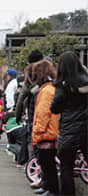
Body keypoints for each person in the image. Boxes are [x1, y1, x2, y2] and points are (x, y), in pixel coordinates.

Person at [50, 52, 88, 196]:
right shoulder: (86, 80)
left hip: (68, 131)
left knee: (66, 167)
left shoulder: (62, 85)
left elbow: (54, 108)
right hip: (86, 129)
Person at [31, 60, 60, 196]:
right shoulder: (49, 88)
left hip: (46, 132)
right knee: (47, 163)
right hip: (50, 130)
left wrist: (38, 130)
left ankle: (52, 189)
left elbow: (43, 113)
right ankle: (48, 187)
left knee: (48, 163)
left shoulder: (47, 90)